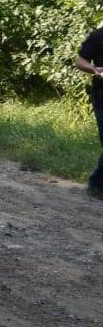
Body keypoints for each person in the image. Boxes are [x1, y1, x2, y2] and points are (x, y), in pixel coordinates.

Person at [76, 25, 103, 200]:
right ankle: (96, 184)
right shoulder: (98, 36)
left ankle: (97, 183)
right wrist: (95, 70)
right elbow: (80, 61)